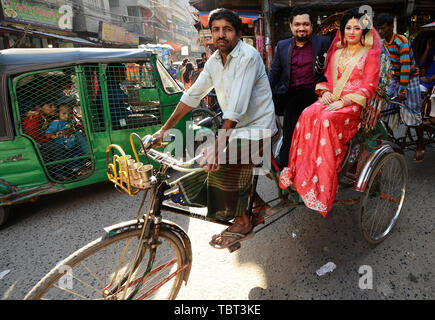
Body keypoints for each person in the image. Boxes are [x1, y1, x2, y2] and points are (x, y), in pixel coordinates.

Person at [152, 8, 277, 248]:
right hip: (236, 127)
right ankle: (258, 205)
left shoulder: (248, 57)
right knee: (208, 156)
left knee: (219, 161)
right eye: (216, 30)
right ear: (210, 34)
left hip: (258, 128)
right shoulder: (213, 62)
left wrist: (219, 146)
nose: (221, 35)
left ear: (238, 33)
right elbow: (192, 95)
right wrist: (165, 130)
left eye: (227, 30)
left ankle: (242, 221)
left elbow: (236, 108)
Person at [279, 8, 381, 216]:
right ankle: (300, 171)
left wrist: (344, 100)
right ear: (342, 31)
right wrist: (324, 92)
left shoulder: (370, 55)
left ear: (364, 30)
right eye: (348, 28)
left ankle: (322, 182)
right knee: (307, 113)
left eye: (357, 28)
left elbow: (369, 87)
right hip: (333, 99)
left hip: (353, 104)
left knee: (325, 119)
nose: (352, 32)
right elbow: (326, 81)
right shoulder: (337, 53)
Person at [268, 6, 331, 170]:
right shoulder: (282, 46)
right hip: (287, 92)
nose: (301, 28)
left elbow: (332, 67)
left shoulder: (323, 43)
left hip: (313, 92)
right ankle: (263, 150)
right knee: (260, 107)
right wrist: (263, 95)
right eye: (297, 24)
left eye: (305, 24)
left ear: (312, 26)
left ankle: (285, 160)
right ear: (291, 26)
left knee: (292, 110)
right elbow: (274, 74)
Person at [376, 14, 426, 163]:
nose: (381, 31)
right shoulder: (384, 43)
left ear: (392, 27)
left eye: (383, 28)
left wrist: (403, 90)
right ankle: (394, 142)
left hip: (410, 79)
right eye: (379, 29)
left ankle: (420, 145)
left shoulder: (401, 41)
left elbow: (405, 67)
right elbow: (386, 65)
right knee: (381, 108)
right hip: (396, 78)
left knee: (413, 112)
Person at [45, 103, 86, 174]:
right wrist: (54, 136)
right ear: (58, 113)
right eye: (64, 114)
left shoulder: (70, 121)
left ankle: (79, 167)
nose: (67, 116)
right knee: (72, 157)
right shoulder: (56, 123)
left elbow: (76, 126)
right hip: (64, 146)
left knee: (79, 154)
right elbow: (48, 133)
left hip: (73, 144)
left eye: (69, 114)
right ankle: (77, 169)